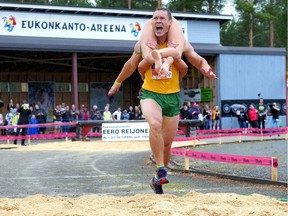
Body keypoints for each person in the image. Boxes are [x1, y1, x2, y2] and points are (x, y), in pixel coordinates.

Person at [107, 12, 217, 97]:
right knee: (141, 66)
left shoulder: (180, 42)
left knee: (183, 65)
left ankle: (165, 59)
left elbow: (196, 59)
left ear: (169, 25)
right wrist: (117, 82)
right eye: (156, 19)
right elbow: (131, 65)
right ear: (152, 26)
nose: (158, 22)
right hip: (152, 90)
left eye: (162, 19)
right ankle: (161, 61)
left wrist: (204, 65)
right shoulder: (143, 44)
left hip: (171, 89)